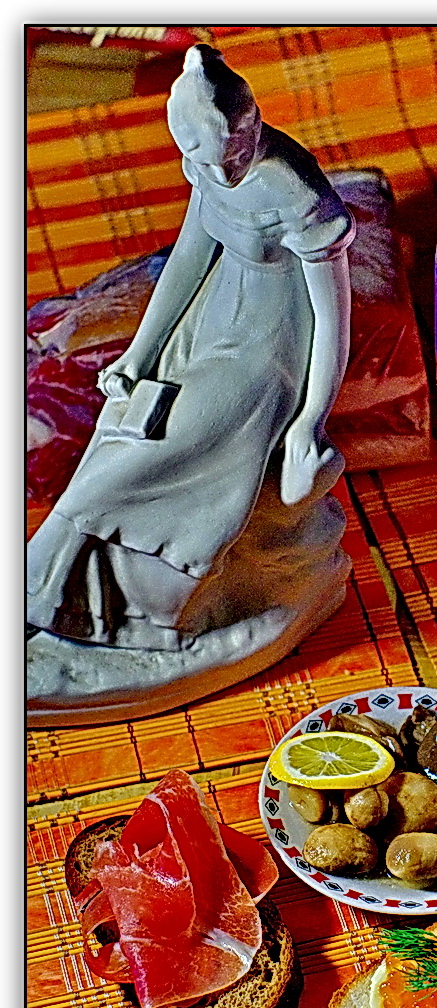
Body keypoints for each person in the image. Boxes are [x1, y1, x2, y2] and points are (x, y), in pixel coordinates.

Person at [27, 45, 355, 653]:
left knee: (148, 460)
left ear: (251, 129)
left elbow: (333, 318)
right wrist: (140, 353)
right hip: (206, 322)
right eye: (202, 159)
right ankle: (54, 597)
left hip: (269, 352)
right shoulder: (204, 168)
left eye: (230, 155)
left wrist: (311, 416)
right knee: (118, 436)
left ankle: (146, 611)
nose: (219, 172)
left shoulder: (295, 191)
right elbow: (187, 260)